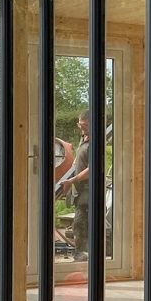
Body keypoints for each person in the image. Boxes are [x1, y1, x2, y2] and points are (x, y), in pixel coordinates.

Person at [64, 111, 91, 261]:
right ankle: (84, 254)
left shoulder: (95, 142)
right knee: (82, 222)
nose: (82, 128)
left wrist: (73, 180)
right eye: (80, 125)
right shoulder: (83, 138)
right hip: (80, 189)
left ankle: (82, 254)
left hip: (89, 189)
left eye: (85, 125)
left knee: (80, 222)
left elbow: (91, 169)